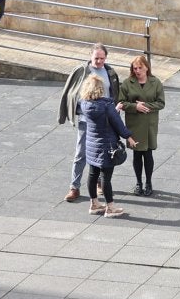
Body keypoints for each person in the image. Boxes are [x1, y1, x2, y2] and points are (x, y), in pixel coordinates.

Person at [57, 43, 120, 202]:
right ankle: (74, 187)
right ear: (90, 56)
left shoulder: (110, 72)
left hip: (105, 121)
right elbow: (71, 93)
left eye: (102, 58)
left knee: (102, 153)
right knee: (81, 153)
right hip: (87, 120)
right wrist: (81, 110)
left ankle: (99, 183)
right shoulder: (82, 71)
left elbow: (114, 93)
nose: (99, 61)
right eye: (96, 58)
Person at [78, 75, 135, 217]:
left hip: (92, 145)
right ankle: (110, 208)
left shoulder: (84, 104)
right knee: (106, 178)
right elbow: (117, 123)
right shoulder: (106, 106)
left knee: (92, 175)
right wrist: (128, 136)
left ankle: (94, 204)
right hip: (106, 146)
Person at [118, 54, 165, 197]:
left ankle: (148, 182)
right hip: (135, 124)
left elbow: (161, 103)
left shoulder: (155, 82)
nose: (137, 71)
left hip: (149, 123)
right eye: (135, 68)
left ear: (146, 67)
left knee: (148, 153)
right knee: (137, 154)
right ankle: (138, 183)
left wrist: (146, 106)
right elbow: (121, 102)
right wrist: (135, 107)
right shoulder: (127, 83)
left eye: (140, 67)